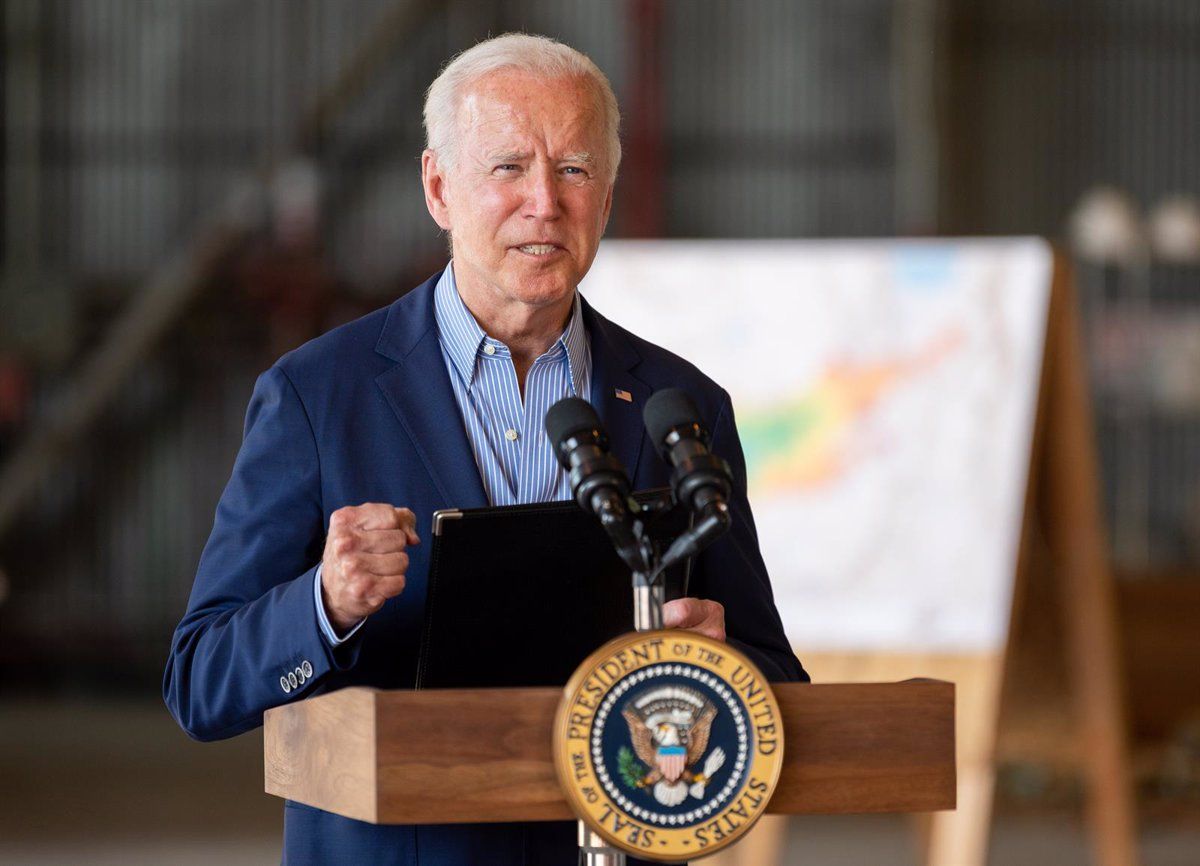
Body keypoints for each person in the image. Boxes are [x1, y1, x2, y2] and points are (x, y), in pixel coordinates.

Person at [164, 32, 806, 866]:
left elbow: (776, 676)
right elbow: (200, 683)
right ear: (438, 187)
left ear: (606, 196)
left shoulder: (677, 408)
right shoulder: (320, 396)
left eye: (574, 169)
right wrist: (325, 603)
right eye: (508, 167)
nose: (544, 201)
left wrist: (721, 666)